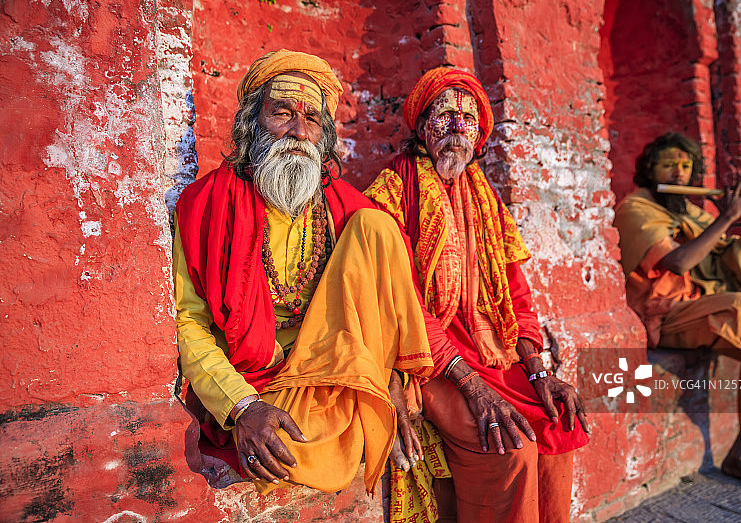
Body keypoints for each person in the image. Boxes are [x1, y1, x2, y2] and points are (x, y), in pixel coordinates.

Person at [173, 49, 440, 496]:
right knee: (294, 452)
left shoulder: (342, 206)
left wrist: (395, 382)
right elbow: (189, 322)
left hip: (330, 373)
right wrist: (242, 407)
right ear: (251, 122)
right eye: (282, 113)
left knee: (378, 227)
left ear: (325, 136)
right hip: (257, 382)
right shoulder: (206, 204)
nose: (298, 131)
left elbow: (393, 300)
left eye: (312, 119)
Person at [365, 67, 590, 523]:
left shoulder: (487, 199)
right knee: (509, 448)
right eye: (443, 114)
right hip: (427, 357)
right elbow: (398, 300)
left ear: (480, 135)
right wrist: (468, 383)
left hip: (494, 352)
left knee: (557, 423)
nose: (455, 128)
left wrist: (539, 369)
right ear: (422, 125)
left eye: (467, 119)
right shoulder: (391, 191)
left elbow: (518, 298)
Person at [614, 132, 741, 498]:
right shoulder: (636, 208)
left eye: (685, 166)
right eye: (669, 164)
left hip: (699, 307)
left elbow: (722, 261)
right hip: (664, 316)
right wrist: (727, 216)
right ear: (651, 170)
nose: (679, 172)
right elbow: (680, 261)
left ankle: (740, 455)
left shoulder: (690, 211)